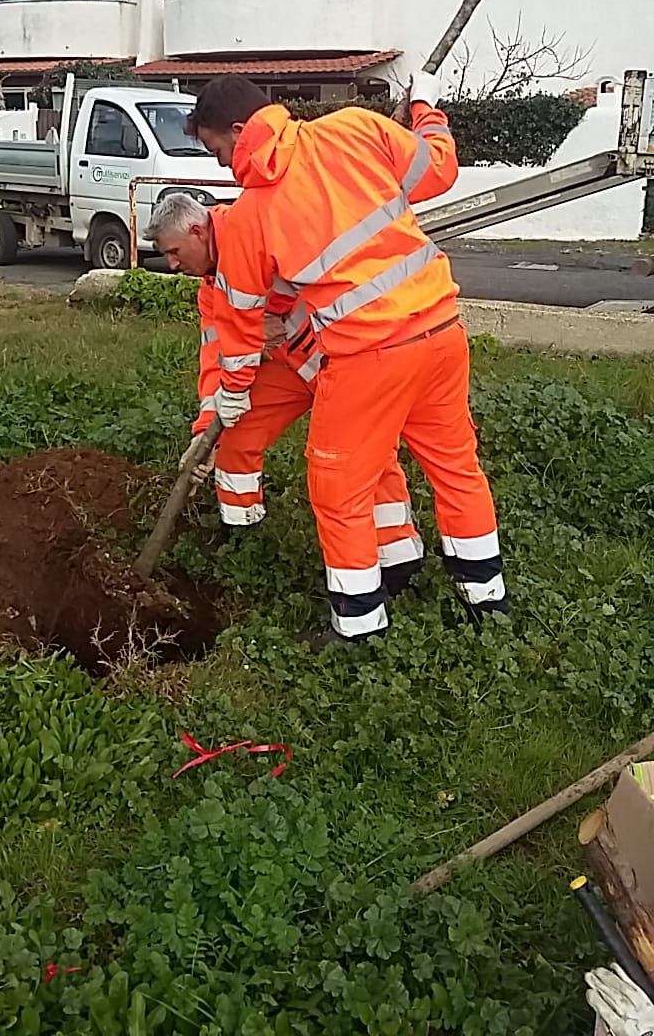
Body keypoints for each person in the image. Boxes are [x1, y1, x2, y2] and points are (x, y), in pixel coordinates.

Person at [185, 73, 510, 643]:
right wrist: (426, 106)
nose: (220, 165)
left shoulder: (250, 214)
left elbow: (236, 329)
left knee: (338, 484)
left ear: (240, 131)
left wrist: (231, 397)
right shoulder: (354, 129)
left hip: (369, 355)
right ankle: (487, 600)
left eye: (217, 150)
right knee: (455, 464)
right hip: (440, 330)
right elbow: (438, 169)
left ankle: (359, 623)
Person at [143, 194, 425, 595]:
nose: (172, 264)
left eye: (174, 252)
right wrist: (205, 432)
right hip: (286, 366)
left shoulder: (257, 229)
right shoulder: (210, 289)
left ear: (197, 230)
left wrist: (272, 325)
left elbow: (328, 276)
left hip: (340, 357)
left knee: (362, 454)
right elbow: (215, 359)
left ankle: (398, 558)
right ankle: (242, 533)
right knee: (235, 432)